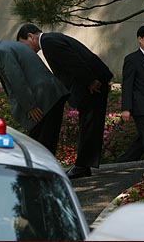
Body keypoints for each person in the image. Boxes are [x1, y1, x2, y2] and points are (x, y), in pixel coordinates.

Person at [16, 24, 113, 179]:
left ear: (30, 36)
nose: (26, 49)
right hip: (89, 82)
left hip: (91, 84)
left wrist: (90, 81)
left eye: (24, 44)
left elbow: (73, 62)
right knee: (90, 124)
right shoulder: (52, 39)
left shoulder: (48, 42)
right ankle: (83, 165)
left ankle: (82, 166)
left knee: (90, 124)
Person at [0, 34, 69, 155]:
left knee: (42, 144)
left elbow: (17, 81)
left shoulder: (2, 52)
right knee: (43, 141)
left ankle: (43, 172)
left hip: (45, 99)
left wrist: (29, 106)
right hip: (49, 96)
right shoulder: (8, 46)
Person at [118, 25, 144, 162]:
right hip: (141, 106)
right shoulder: (132, 59)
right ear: (139, 39)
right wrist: (126, 108)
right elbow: (127, 84)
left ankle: (123, 162)